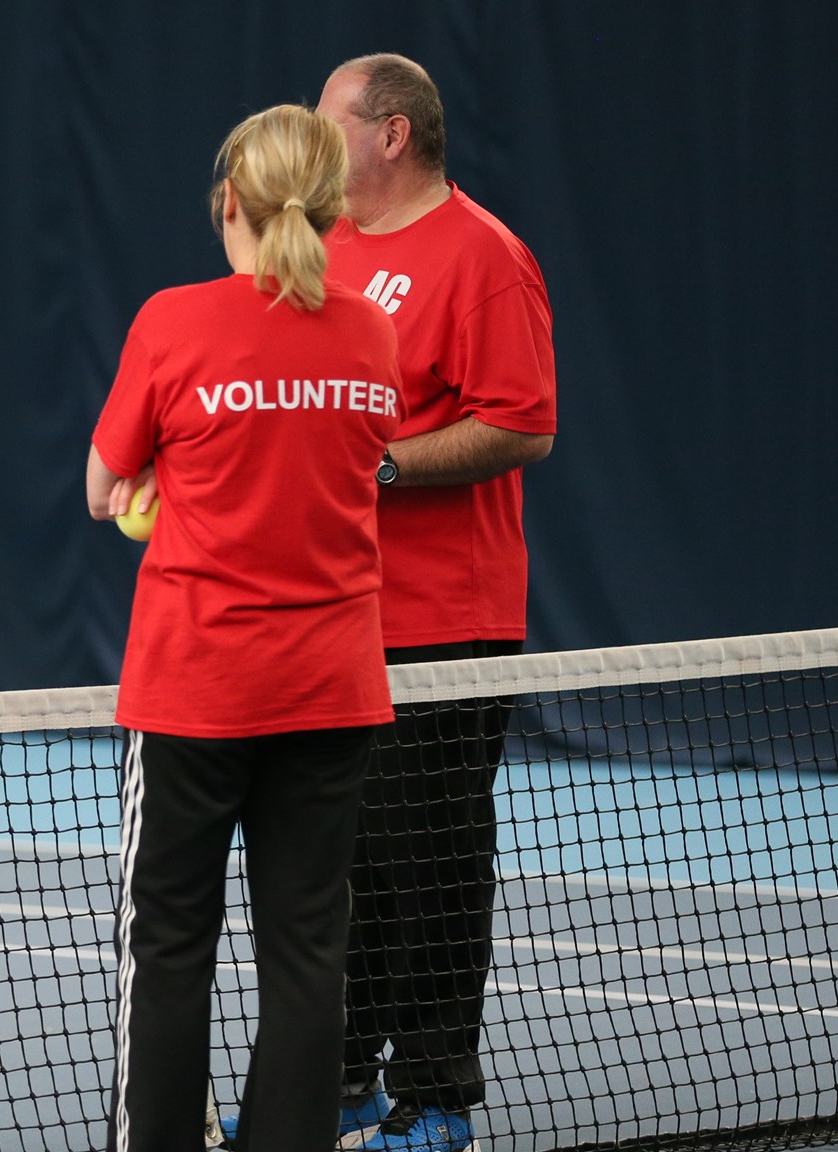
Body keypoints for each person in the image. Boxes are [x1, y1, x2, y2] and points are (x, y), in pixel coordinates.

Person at [86, 104, 402, 1152]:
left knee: (167, 943)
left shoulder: (171, 321)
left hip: (195, 689)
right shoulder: (370, 330)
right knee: (308, 948)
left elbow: (102, 490)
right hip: (331, 687)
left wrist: (159, 485)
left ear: (228, 201)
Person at [312, 53, 558, 1152]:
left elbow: (522, 422)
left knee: (434, 863)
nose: (312, 139)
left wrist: (380, 467)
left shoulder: (486, 257)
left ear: (391, 133)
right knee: (342, 861)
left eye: (329, 120)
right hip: (330, 617)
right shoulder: (321, 249)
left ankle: (438, 1096)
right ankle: (346, 1081)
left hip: (448, 623)